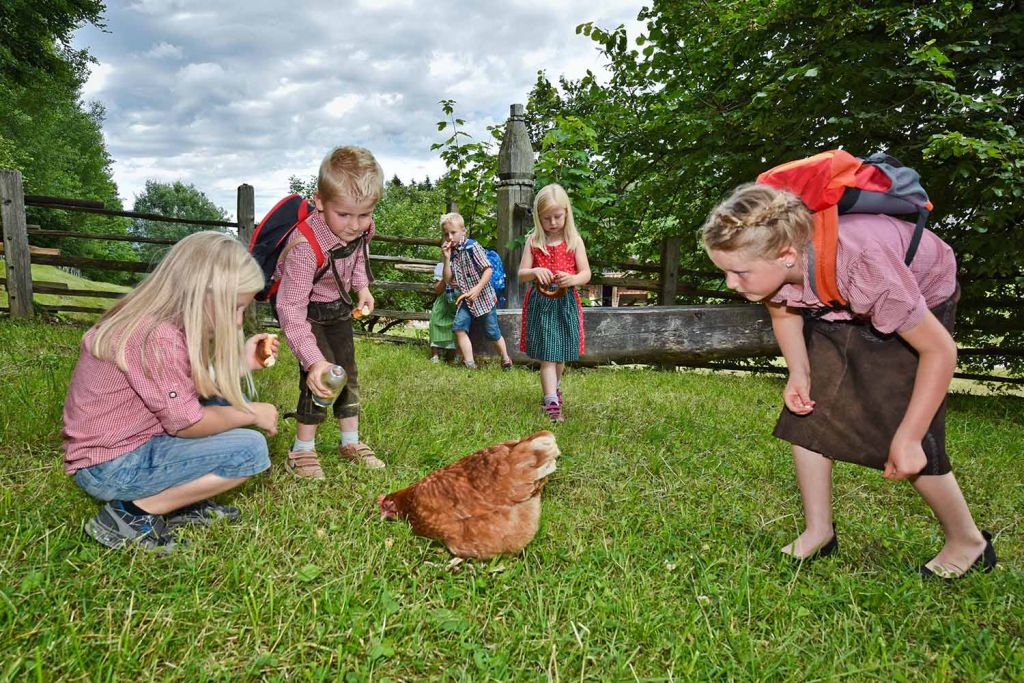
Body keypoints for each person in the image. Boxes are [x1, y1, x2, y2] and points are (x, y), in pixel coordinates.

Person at [702, 182, 996, 579]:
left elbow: (940, 351)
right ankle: (819, 532)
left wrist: (908, 437)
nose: (731, 285)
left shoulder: (864, 266)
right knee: (807, 412)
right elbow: (782, 309)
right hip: (841, 303)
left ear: (786, 255)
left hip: (914, 295)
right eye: (725, 272)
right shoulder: (780, 265)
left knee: (902, 425)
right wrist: (799, 374)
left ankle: (969, 542)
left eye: (739, 273)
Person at [62, 231, 277, 553]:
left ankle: (181, 502)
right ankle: (131, 515)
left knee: (219, 402)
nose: (237, 321)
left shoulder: (153, 325)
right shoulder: (155, 338)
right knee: (250, 450)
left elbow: (189, 387)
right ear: (199, 295)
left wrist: (242, 364)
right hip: (112, 467)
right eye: (234, 307)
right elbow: (187, 424)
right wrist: (249, 414)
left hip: (124, 449)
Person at [275, 145, 387, 477]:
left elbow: (357, 259)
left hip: (338, 308)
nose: (355, 225)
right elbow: (289, 309)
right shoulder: (304, 248)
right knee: (322, 378)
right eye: (345, 215)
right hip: (306, 313)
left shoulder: (362, 227)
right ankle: (302, 450)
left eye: (364, 214)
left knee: (347, 374)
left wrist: (362, 287)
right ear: (320, 202)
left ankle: (349, 441)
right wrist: (313, 360)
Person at [517, 184, 591, 423]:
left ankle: (554, 391)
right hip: (542, 305)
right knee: (548, 355)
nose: (553, 222)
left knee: (559, 355)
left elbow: (586, 274)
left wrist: (572, 279)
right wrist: (535, 271)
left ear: (567, 213)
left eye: (557, 216)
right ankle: (551, 403)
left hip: (565, 302)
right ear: (539, 219)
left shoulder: (574, 241)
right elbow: (521, 273)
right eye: (546, 218)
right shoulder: (533, 241)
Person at [440, 212, 514, 370]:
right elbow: (447, 279)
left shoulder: (472, 247)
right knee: (459, 328)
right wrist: (446, 258)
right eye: (446, 234)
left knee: (492, 332)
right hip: (466, 299)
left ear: (463, 231)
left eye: (453, 232)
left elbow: (488, 270)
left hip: (484, 298)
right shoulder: (451, 254)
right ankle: (470, 363)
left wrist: (477, 289)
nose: (450, 237)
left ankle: (506, 359)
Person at [428, 261, 458, 363]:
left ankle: (451, 356)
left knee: (456, 325)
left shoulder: (465, 263)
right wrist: (446, 279)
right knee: (435, 320)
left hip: (458, 299)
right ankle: (435, 355)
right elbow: (437, 290)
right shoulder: (441, 265)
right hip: (443, 300)